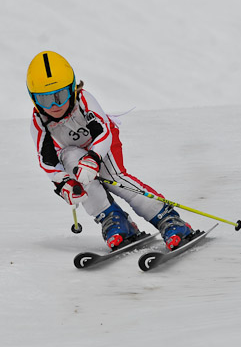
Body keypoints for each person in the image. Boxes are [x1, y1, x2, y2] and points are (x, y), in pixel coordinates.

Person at [27, 51, 194, 251]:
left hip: (102, 144)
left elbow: (103, 132)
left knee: (116, 179)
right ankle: (114, 220)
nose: (55, 106)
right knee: (74, 168)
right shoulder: (39, 122)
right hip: (77, 154)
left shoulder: (84, 101)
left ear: (72, 88)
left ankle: (168, 219)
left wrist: (94, 158)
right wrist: (64, 184)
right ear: (33, 99)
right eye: (45, 100)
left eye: (60, 96)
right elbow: (47, 161)